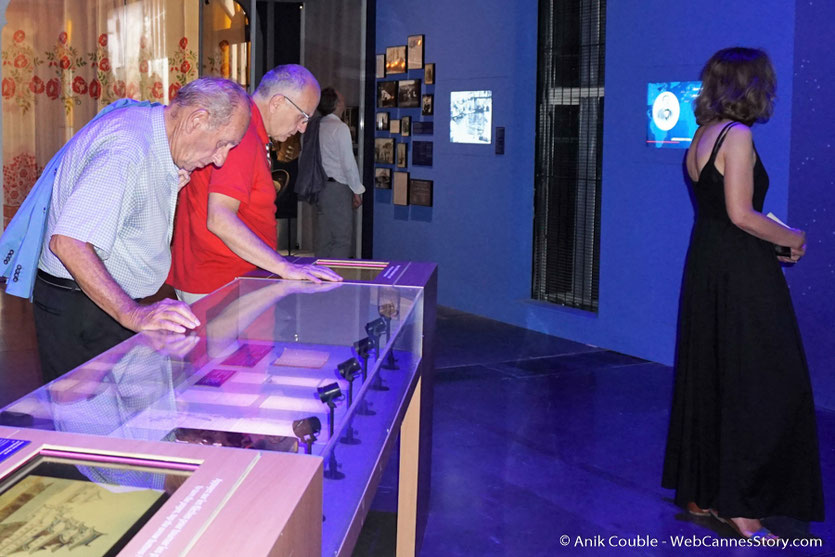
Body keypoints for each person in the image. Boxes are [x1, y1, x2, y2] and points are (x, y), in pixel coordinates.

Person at [662, 47, 823, 539]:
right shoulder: (739, 135)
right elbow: (740, 214)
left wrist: (771, 245)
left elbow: (720, 217)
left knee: (713, 376)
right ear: (751, 86)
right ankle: (742, 505)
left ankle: (707, 494)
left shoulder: (702, 134)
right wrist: (793, 237)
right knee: (760, 383)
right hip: (739, 276)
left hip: (710, 265)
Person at [33, 77, 251, 384]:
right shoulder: (128, 148)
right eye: (222, 143)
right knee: (86, 425)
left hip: (104, 300)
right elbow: (68, 242)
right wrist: (132, 314)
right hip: (84, 307)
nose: (220, 159)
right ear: (197, 119)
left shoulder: (153, 136)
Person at [168, 64, 341, 305]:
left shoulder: (245, 126)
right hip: (222, 281)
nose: (302, 128)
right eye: (303, 117)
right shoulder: (244, 133)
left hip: (223, 276)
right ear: (278, 102)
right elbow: (219, 217)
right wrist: (283, 266)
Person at [310, 87, 365, 259]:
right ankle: (336, 279)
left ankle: (320, 278)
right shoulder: (339, 128)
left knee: (324, 239)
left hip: (319, 186)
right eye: (342, 99)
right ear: (336, 104)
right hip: (337, 188)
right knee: (341, 238)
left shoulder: (316, 126)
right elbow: (348, 163)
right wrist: (357, 190)